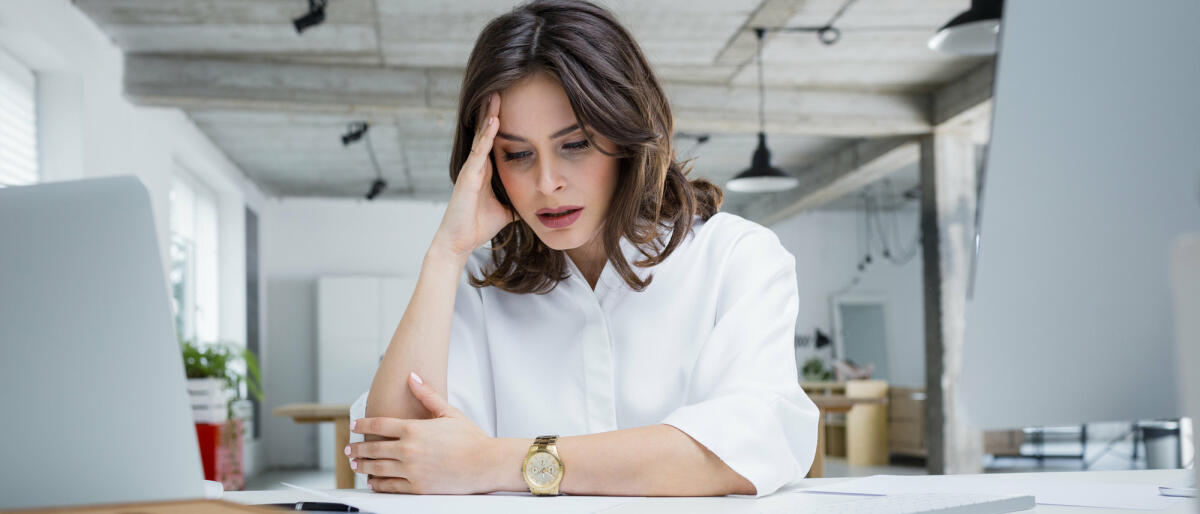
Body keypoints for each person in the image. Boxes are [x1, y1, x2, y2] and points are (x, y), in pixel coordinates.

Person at [346, 0, 818, 498]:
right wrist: (446, 250)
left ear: (626, 134)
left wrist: (493, 462)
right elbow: (392, 455)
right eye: (518, 154)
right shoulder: (480, 283)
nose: (547, 183)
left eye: (575, 144)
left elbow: (744, 447)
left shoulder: (735, 258)